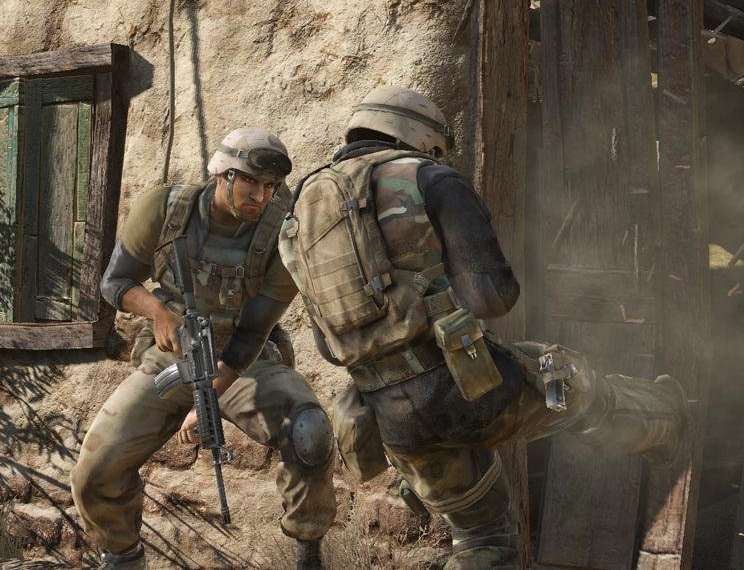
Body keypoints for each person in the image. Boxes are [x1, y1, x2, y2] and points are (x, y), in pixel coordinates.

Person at [278, 86, 686, 568]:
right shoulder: (430, 177)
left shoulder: (300, 212)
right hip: (473, 394)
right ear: (422, 138)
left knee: (481, 536)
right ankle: (667, 423)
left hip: (390, 417)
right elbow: (492, 298)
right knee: (575, 383)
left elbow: (329, 347)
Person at [72, 129, 336, 570]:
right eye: (249, 181)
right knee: (95, 470)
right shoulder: (164, 208)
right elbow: (114, 283)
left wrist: (208, 398)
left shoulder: (283, 232)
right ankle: (122, 558)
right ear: (221, 173)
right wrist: (158, 312)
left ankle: (308, 554)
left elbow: (253, 333)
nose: (260, 195)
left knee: (311, 432)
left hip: (246, 364)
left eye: (270, 186)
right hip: (171, 357)